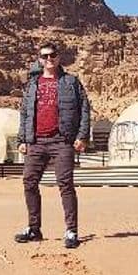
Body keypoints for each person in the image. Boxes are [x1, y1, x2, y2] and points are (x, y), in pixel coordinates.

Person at [14, 41, 91, 249]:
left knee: (65, 185)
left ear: (59, 58)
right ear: (40, 59)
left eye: (53, 56)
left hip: (62, 140)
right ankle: (34, 228)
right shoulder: (32, 84)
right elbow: (24, 114)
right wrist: (22, 139)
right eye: (45, 56)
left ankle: (71, 230)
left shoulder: (71, 82)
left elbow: (84, 108)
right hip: (36, 141)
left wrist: (82, 136)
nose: (49, 59)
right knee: (29, 182)